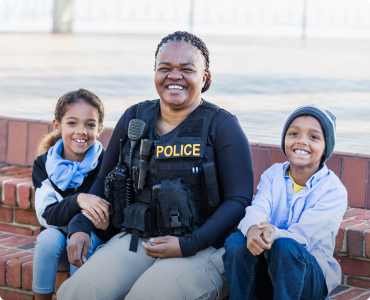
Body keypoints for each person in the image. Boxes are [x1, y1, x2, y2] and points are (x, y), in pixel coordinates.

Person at [57, 31, 254, 300]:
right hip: (138, 239)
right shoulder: (134, 117)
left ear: (205, 78)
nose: (174, 76)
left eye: (187, 69)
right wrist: (80, 226)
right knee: (78, 291)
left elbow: (238, 199)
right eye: (165, 68)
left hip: (201, 247)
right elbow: (103, 182)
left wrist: (189, 243)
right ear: (155, 73)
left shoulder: (222, 125)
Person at [222, 105, 348, 300]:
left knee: (286, 247)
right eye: (294, 133)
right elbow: (258, 209)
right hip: (269, 273)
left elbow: (302, 238)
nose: (301, 141)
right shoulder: (273, 174)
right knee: (237, 241)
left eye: (314, 137)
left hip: (307, 282)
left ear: (325, 148)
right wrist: (253, 228)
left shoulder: (333, 191)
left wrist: (272, 232)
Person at [32, 89, 111, 300]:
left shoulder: (107, 163)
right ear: (57, 125)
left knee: (81, 243)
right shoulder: (43, 165)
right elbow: (47, 215)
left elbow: (104, 215)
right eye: (72, 123)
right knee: (47, 239)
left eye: (90, 124)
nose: (81, 131)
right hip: (56, 232)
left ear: (100, 128)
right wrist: (78, 200)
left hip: (94, 235)